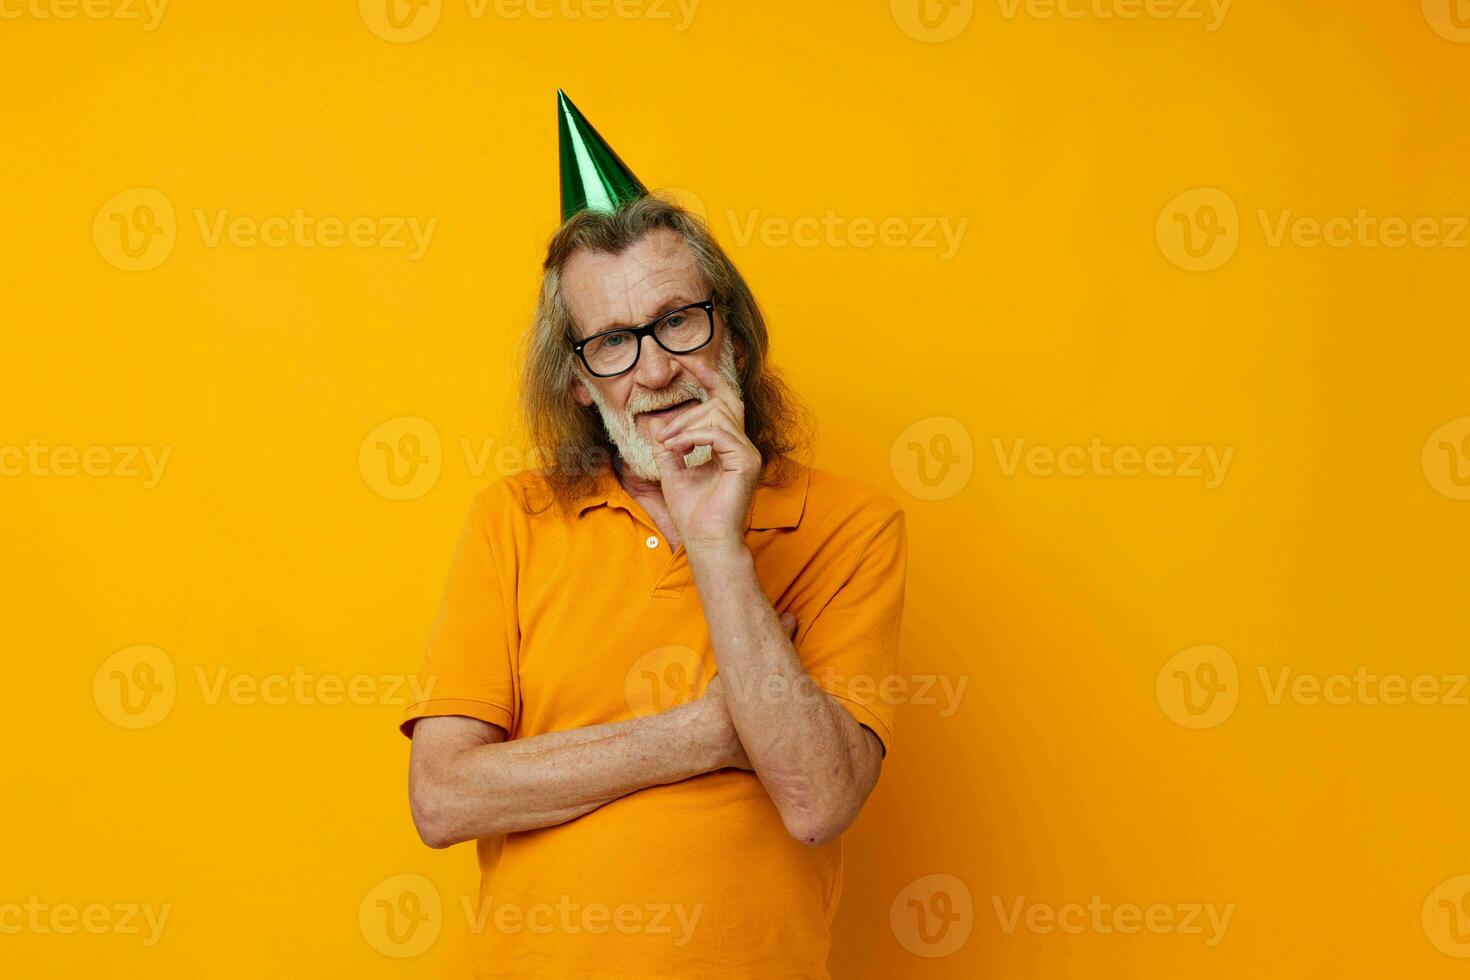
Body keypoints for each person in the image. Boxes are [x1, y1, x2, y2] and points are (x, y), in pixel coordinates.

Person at [399, 90, 908, 979]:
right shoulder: (510, 520)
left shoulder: (850, 527)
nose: (658, 368)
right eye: (613, 343)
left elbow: (820, 800)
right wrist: (703, 735)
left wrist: (718, 542)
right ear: (580, 387)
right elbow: (443, 798)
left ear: (734, 339)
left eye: (677, 320)